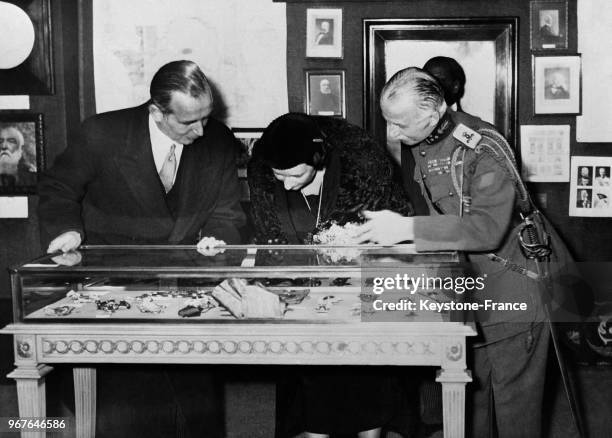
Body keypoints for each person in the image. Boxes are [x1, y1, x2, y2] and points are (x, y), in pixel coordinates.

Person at [354, 67, 576, 438]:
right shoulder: (426, 141)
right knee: (473, 391)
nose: (392, 133)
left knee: (514, 407)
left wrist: (407, 229)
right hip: (474, 288)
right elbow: (447, 217)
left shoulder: (483, 148)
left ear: (433, 113)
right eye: (387, 121)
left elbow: (485, 229)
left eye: (399, 123)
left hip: (516, 288)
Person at [37, 60, 246, 437]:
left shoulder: (217, 140)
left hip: (183, 287)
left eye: (206, 117)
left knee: (192, 409)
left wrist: (218, 236)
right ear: (157, 112)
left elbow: (227, 211)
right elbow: (59, 188)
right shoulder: (102, 132)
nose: (201, 130)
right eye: (188, 122)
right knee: (126, 413)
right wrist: (66, 230)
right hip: (115, 285)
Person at [248, 112, 414, 438]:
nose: (286, 184)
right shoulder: (265, 171)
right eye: (278, 175)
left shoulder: (366, 168)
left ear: (318, 160)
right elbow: (272, 238)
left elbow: (387, 236)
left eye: (295, 174)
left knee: (367, 378)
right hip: (305, 300)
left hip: (364, 284)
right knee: (314, 379)